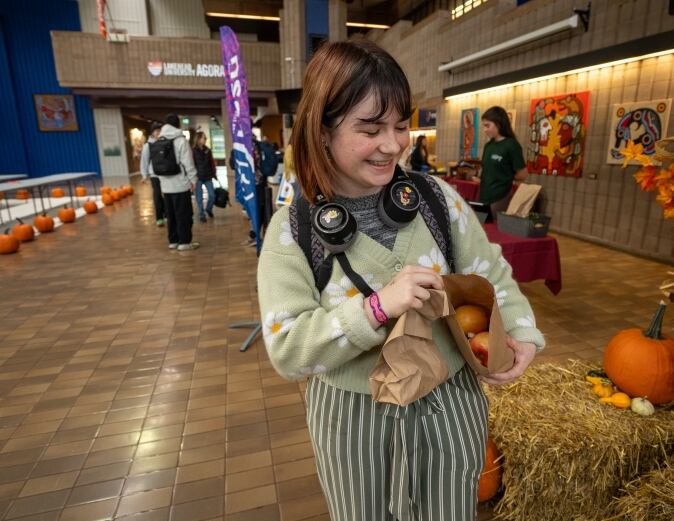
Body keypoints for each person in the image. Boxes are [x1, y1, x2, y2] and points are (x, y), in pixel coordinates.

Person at [257, 39, 544, 521]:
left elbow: (491, 273)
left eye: (400, 125)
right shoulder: (293, 231)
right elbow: (287, 348)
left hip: (450, 400)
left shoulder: (436, 200)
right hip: (353, 413)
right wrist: (376, 308)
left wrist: (520, 333)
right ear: (321, 131)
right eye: (370, 129)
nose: (392, 144)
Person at [154, 113, 199, 251]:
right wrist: (194, 179)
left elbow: (156, 164)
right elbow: (188, 163)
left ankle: (173, 241)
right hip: (180, 184)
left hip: (166, 186)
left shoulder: (158, 141)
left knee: (171, 214)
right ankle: (184, 242)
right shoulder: (180, 140)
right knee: (183, 214)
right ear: (178, 124)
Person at [479, 106, 528, 221]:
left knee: (493, 230)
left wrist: (505, 176)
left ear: (499, 124)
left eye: (487, 126)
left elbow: (523, 174)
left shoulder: (511, 145)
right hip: (484, 195)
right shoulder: (488, 146)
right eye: (483, 126)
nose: (485, 130)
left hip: (500, 196)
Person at [139, 121, 166, 226]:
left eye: (160, 131)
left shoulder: (165, 143)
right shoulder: (148, 146)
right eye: (157, 131)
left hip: (165, 173)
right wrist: (144, 175)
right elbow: (144, 161)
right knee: (157, 195)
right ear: (153, 132)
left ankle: (166, 214)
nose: (159, 133)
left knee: (167, 195)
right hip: (154, 174)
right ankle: (159, 217)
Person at [192, 131, 216, 223]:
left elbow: (212, 163)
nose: (205, 139)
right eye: (203, 137)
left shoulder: (208, 150)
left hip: (208, 176)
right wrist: (192, 178)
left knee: (212, 195)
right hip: (197, 177)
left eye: (205, 138)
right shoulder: (193, 151)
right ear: (198, 139)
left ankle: (209, 209)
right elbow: (192, 164)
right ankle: (201, 214)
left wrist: (214, 173)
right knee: (199, 197)